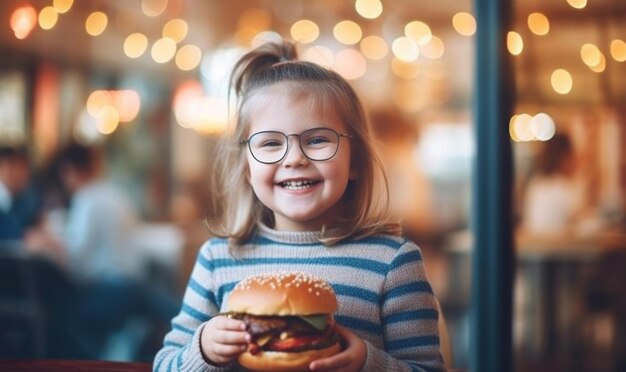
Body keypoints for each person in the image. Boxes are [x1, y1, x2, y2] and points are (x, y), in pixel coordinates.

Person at [154, 40, 444, 371]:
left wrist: (368, 362)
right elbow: (164, 365)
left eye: (318, 140)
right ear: (247, 169)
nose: (294, 158)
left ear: (355, 163)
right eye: (271, 143)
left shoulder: (393, 263)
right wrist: (203, 348)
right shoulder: (217, 260)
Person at [52, 143, 178, 360]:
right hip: (134, 284)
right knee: (167, 308)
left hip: (111, 289)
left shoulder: (86, 199)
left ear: (69, 170)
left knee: (64, 318)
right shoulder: (115, 193)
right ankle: (127, 337)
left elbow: (77, 263)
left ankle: (107, 358)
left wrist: (52, 246)